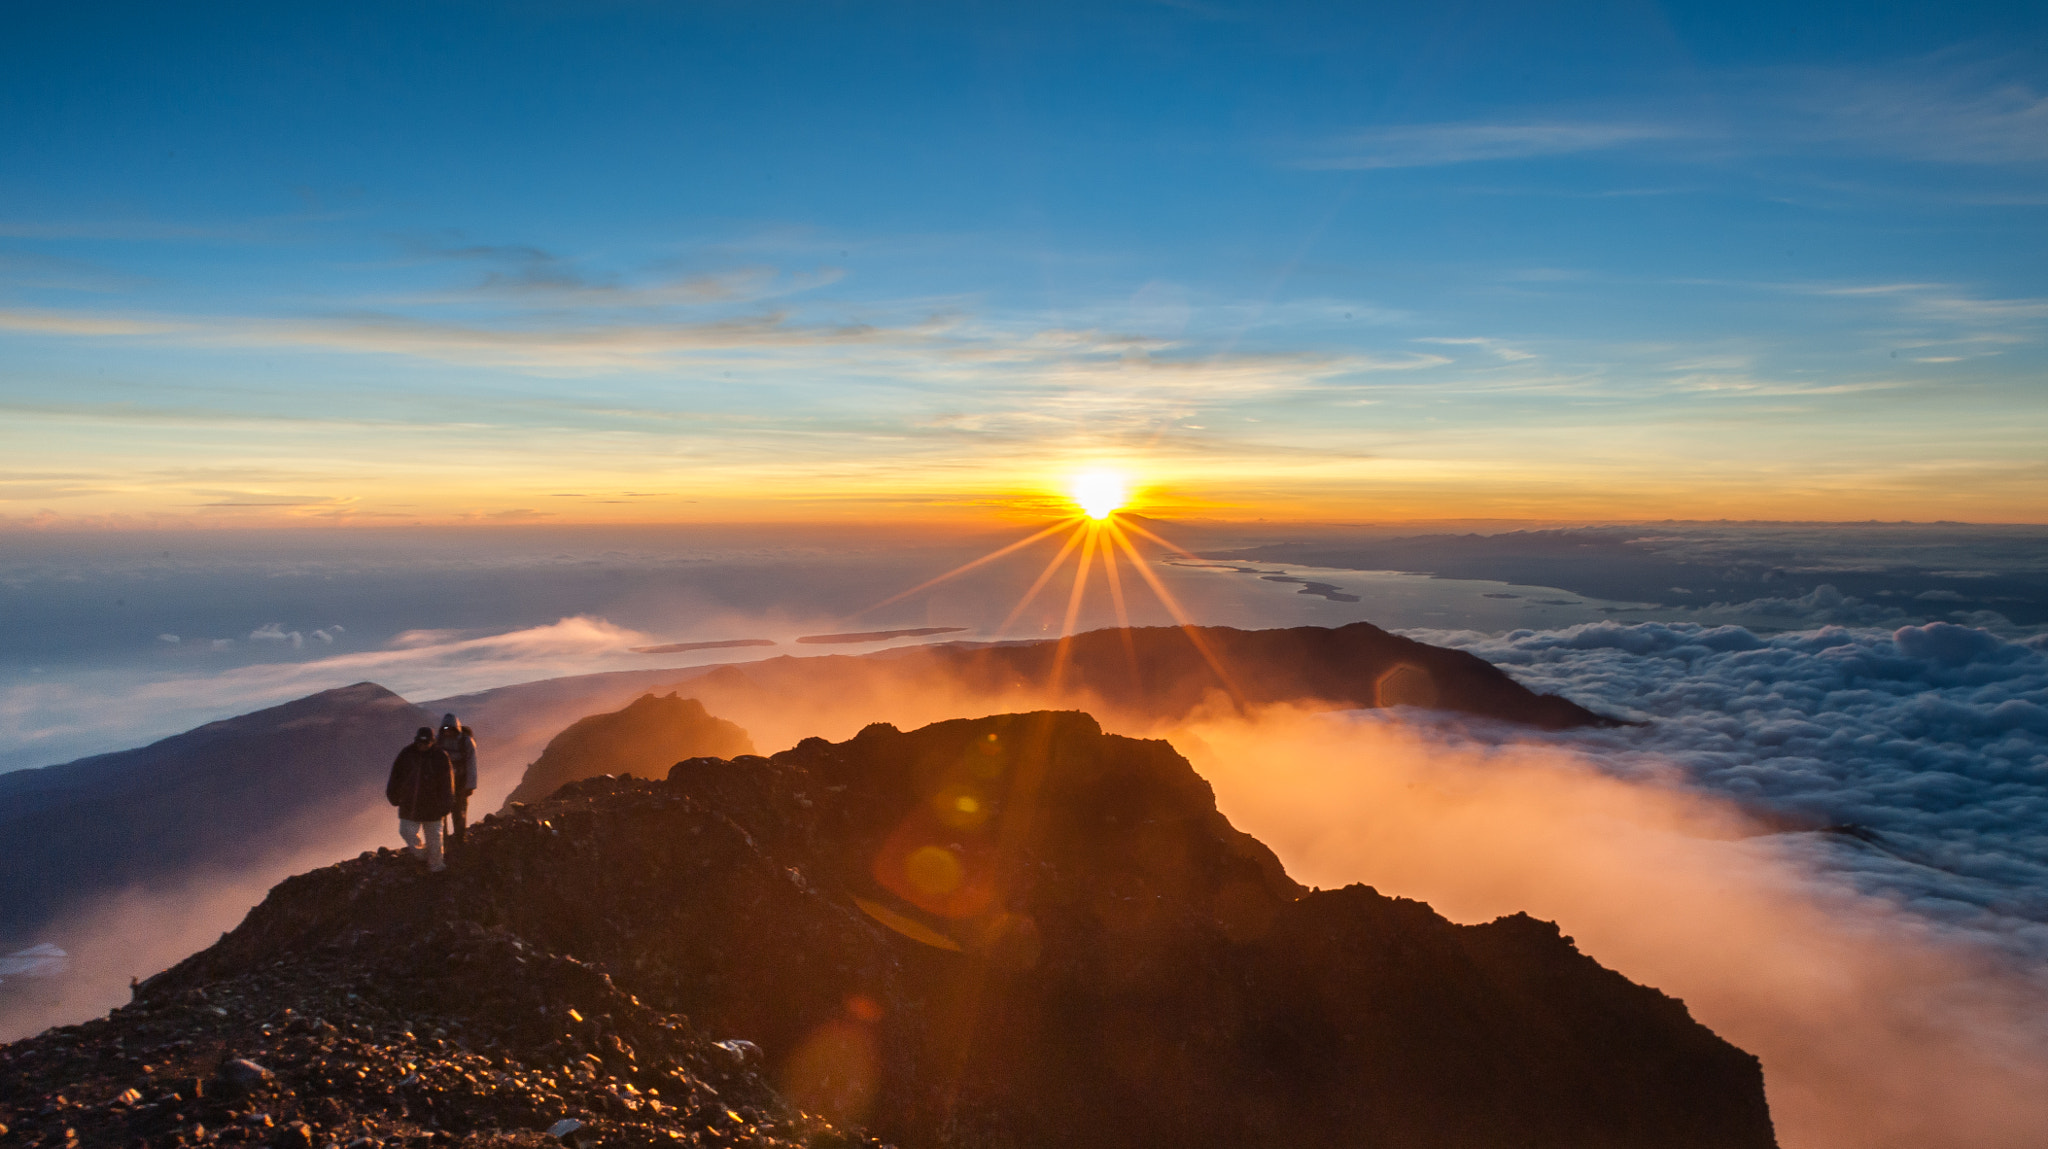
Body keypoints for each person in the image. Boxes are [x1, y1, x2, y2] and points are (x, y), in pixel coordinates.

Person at [387, 726, 456, 872]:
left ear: (432, 741)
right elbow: (396, 777)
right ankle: (423, 856)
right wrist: (393, 795)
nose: (423, 746)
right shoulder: (406, 754)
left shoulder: (440, 757)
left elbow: (447, 783)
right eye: (420, 742)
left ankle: (436, 866)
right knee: (406, 831)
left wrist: (446, 804)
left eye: (426, 743)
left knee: (435, 839)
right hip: (410, 804)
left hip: (432, 806)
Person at [437, 714, 480, 847]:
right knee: (441, 813)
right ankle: (442, 841)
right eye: (445, 728)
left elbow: (471, 764)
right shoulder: (439, 741)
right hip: (443, 783)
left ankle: (460, 839)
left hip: (460, 783)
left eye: (450, 728)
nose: (447, 731)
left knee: (459, 811)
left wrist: (470, 785)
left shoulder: (466, 742)